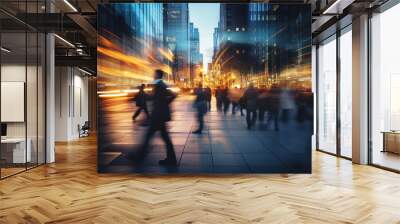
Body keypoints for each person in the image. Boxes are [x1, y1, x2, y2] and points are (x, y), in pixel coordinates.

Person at [129, 69, 177, 166]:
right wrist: (163, 103)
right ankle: (171, 159)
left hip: (157, 116)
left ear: (158, 75)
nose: (153, 75)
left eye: (154, 74)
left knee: (149, 137)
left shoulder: (160, 85)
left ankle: (139, 157)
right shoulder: (160, 85)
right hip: (159, 115)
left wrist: (163, 104)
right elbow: (166, 96)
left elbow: (171, 95)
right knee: (160, 137)